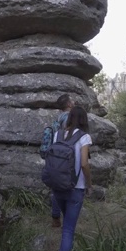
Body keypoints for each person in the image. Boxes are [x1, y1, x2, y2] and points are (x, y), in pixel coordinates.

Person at [52, 106, 93, 251]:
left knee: (66, 223)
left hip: (58, 186)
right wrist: (89, 184)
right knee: (68, 230)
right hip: (76, 189)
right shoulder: (84, 137)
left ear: (69, 118)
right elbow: (84, 163)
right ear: (84, 119)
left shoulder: (58, 134)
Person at [50, 94, 75, 228]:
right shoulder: (69, 117)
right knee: (67, 185)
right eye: (72, 100)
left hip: (56, 153)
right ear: (69, 104)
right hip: (66, 154)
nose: (74, 101)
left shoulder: (58, 118)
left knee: (56, 187)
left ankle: (55, 217)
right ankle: (67, 218)